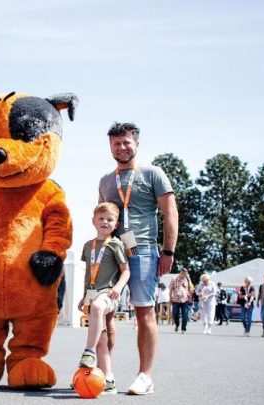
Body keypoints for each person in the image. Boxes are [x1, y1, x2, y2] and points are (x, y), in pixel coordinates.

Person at [98, 122, 178, 396]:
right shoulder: (106, 181)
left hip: (142, 250)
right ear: (110, 146)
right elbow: (102, 217)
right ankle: (103, 374)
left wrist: (168, 251)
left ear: (137, 144)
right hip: (112, 252)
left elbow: (170, 213)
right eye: (116, 143)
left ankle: (145, 376)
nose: (121, 147)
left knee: (144, 312)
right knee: (103, 311)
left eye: (126, 142)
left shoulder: (153, 174)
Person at [77, 203, 130, 395]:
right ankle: (108, 380)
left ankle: (88, 352)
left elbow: (126, 271)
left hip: (108, 293)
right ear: (93, 221)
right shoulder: (87, 246)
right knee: (101, 339)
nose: (105, 222)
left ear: (116, 224)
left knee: (99, 307)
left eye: (110, 219)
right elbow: (88, 273)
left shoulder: (116, 244)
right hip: (92, 294)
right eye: (101, 218)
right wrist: (84, 296)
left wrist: (118, 287)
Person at [169, 269, 193, 333]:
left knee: (185, 314)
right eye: (183, 273)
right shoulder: (174, 278)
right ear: (180, 273)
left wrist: (190, 298)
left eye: (185, 274)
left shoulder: (187, 279)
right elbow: (171, 289)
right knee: (175, 313)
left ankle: (183, 329)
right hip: (175, 300)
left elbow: (190, 289)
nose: (184, 275)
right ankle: (177, 324)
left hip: (185, 300)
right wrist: (170, 298)